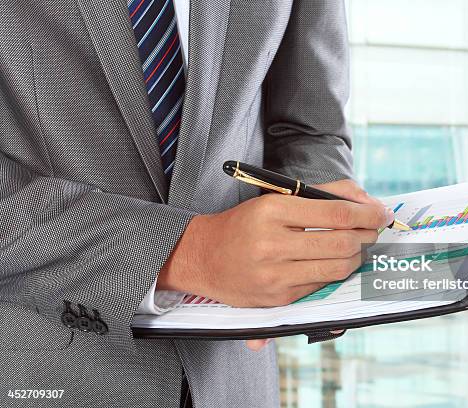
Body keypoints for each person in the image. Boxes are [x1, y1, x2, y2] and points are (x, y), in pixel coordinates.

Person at [0, 1, 392, 407]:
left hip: (238, 379)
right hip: (38, 374)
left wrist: (318, 227)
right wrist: (190, 253)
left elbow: (308, 129)